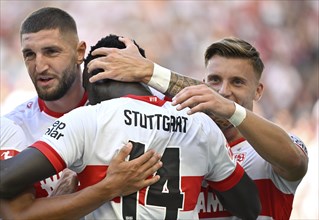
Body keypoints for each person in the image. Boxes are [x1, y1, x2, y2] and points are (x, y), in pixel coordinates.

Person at [0, 34, 261, 220]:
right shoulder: (200, 123)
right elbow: (250, 208)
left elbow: (5, 180)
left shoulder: (88, 118)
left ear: (93, 79)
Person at [86, 36, 308, 219]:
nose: (223, 91)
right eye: (214, 80)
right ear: (203, 82)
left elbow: (295, 161)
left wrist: (151, 72)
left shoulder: (271, 149)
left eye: (237, 82)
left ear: (258, 91)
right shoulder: (176, 140)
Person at [0, 117, 162, 220]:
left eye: (52, 59)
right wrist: (109, 188)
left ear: (79, 60)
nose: (40, 65)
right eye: (29, 59)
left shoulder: (5, 129)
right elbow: (15, 215)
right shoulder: (14, 122)